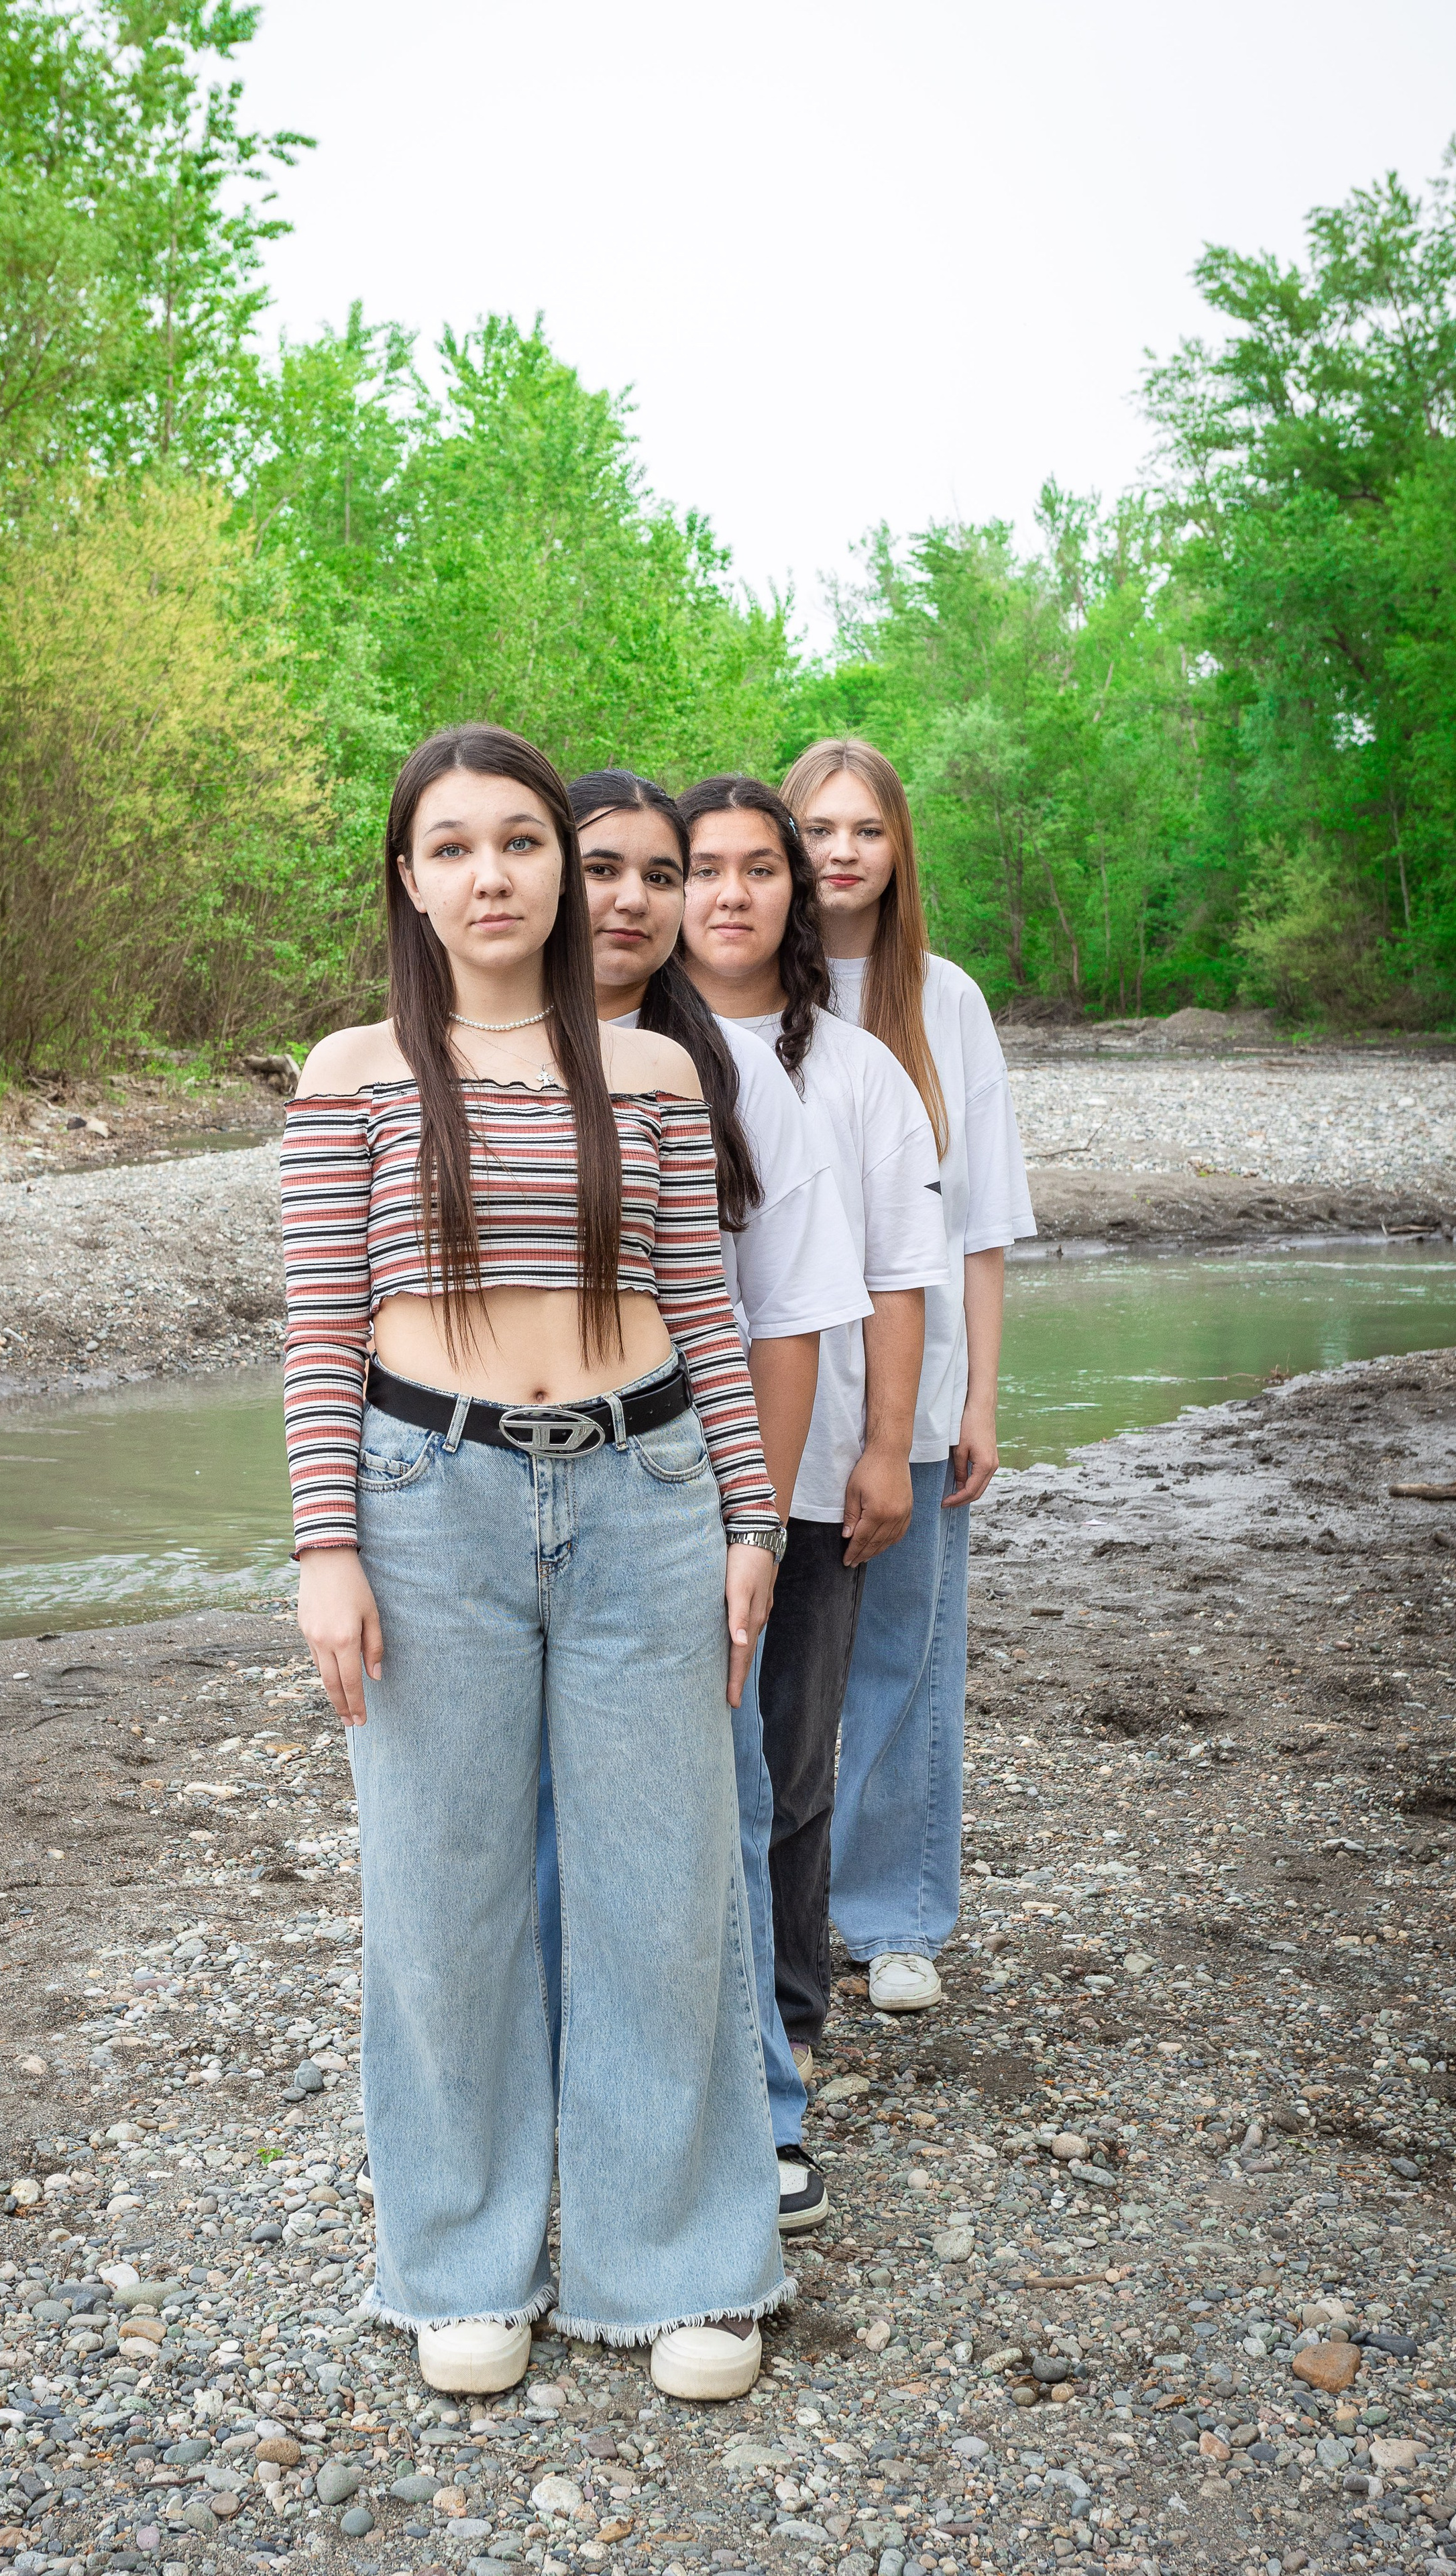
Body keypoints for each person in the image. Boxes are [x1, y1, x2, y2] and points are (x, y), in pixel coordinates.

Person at [283, 723, 788, 2404]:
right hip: (429, 1500)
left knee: (667, 1882)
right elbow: (315, 1337)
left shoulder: (647, 1071)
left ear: (562, 874)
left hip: (643, 1491)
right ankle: (459, 2261)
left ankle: (679, 2266)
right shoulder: (349, 1073)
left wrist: (746, 1515)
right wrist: (324, 1550)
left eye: (520, 841)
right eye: (453, 847)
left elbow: (706, 1313)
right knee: (443, 1894)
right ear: (408, 881)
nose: (492, 873)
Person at [533, 766, 872, 2235]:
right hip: (507, 1504)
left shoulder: (737, 1082)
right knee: (536, 1827)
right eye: (597, 867)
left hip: (695, 1498)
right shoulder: (478, 1059)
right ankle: (562, 2110)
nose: (627, 900)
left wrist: (763, 1526)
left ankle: (757, 2111)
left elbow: (783, 1323)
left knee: (720, 1815)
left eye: (653, 875)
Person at [676, 774, 949, 2074]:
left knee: (789, 1767)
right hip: (651, 1476)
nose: (727, 893)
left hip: (809, 1474)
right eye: (699, 867)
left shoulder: (857, 1071)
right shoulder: (620, 1054)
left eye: (755, 868)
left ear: (793, 892)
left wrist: (884, 1447)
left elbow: (901, 1272)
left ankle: (781, 2033)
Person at [781, 738, 1035, 2013]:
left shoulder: (947, 1001)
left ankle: (892, 1917)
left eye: (865, 830)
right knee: (768, 1659)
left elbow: (979, 1222)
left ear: (898, 849)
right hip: (769, 1390)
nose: (840, 852)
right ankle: (771, 1911)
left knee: (904, 1656)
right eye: (818, 827)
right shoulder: (725, 984)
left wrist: (981, 1393)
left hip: (911, 1386)